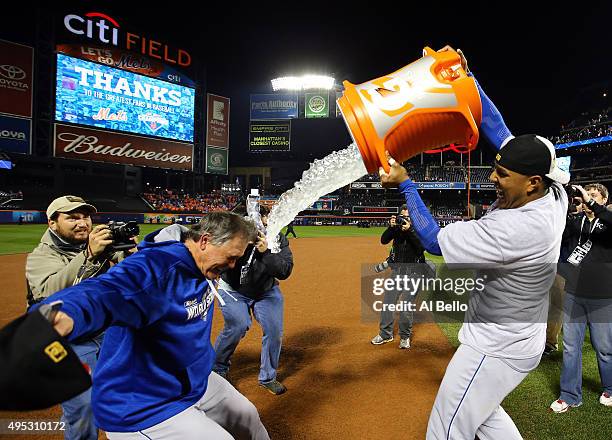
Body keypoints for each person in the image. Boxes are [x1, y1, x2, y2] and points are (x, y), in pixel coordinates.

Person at [379, 48, 569, 439]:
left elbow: (432, 240)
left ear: (532, 182)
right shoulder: (553, 192)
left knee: (446, 429)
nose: (494, 178)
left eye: (502, 174)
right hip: (520, 341)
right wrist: (468, 78)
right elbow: (498, 129)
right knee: (485, 419)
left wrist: (405, 183)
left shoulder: (516, 228)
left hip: (493, 347)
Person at [35, 212, 270, 439]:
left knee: (248, 418)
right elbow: (107, 291)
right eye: (231, 256)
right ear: (205, 241)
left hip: (191, 379)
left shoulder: (202, 262)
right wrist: (62, 315)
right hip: (141, 403)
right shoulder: (157, 267)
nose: (232, 265)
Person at [25, 195, 131, 440]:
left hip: (103, 331)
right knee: (85, 406)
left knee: (128, 388)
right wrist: (90, 256)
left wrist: (129, 252)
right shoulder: (40, 258)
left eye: (85, 217)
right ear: (52, 223)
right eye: (72, 217)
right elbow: (56, 296)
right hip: (65, 339)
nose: (82, 223)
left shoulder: (103, 248)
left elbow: (128, 283)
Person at [214, 205, 294, 395]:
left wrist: (265, 252)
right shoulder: (234, 237)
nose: (261, 223)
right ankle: (218, 368)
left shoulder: (277, 239)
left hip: (266, 291)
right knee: (238, 325)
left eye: (263, 218)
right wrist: (240, 247)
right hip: (233, 290)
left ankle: (268, 377)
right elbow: (219, 265)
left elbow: (284, 271)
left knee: (274, 331)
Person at [549, 183, 612, 413]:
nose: (586, 199)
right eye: (585, 195)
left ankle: (610, 388)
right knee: (570, 347)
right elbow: (558, 241)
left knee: (604, 347)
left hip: (603, 296)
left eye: (594, 196)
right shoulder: (576, 223)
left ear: (604, 200)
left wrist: (592, 203)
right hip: (574, 294)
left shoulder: (607, 224)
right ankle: (570, 395)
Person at [370, 205, 425, 349]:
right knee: (388, 303)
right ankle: (385, 334)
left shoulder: (419, 230)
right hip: (397, 272)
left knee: (406, 306)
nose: (404, 219)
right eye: (402, 216)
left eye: (407, 217)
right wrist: (391, 227)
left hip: (415, 273)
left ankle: (405, 337)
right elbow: (383, 240)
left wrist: (410, 231)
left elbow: (420, 249)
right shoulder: (397, 229)